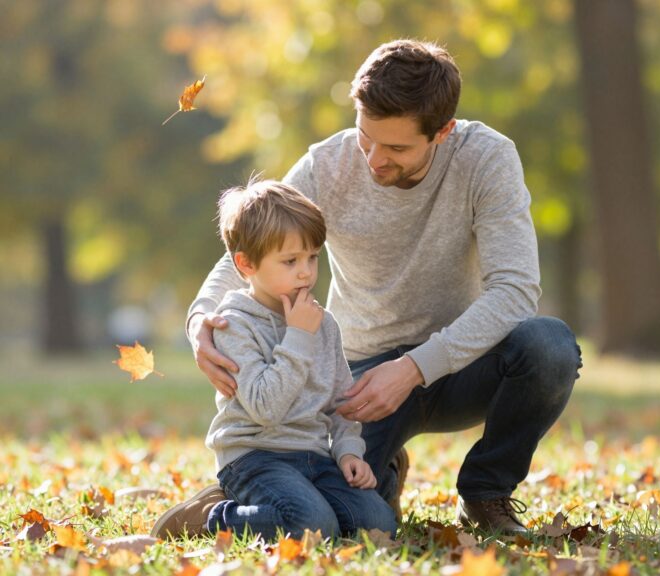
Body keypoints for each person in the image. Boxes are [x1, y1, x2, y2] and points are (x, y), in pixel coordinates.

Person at [157, 38, 582, 537]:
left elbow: (515, 290)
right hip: (358, 382)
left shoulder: (486, 158)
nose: (374, 159)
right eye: (366, 137)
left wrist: (413, 369)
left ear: (442, 132)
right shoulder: (327, 164)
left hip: (461, 364)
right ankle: (268, 495)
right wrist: (199, 321)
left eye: (397, 148)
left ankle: (485, 493)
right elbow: (251, 247)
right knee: (355, 522)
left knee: (549, 347)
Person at [151, 180, 396, 540]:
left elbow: (340, 403)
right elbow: (266, 408)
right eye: (290, 261)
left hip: (314, 456)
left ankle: (304, 505)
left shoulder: (323, 323)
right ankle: (210, 517)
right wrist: (298, 336)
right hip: (255, 457)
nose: (305, 272)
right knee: (311, 526)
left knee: (379, 524)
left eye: (312, 257)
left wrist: (347, 453)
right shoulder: (234, 325)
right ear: (246, 264)